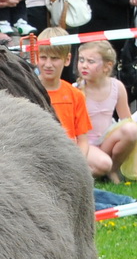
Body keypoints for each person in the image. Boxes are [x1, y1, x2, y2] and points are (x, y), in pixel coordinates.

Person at [34, 30, 112, 178]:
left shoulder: (75, 95)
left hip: (68, 158)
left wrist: (78, 165)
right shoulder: (29, 91)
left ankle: (130, 200)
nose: (48, 64)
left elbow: (83, 140)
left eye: (55, 58)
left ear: (67, 59)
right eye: (43, 57)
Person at [76, 40, 137, 181]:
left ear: (107, 66)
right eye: (81, 60)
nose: (84, 65)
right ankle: (100, 169)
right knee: (102, 163)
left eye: (90, 61)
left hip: (106, 139)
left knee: (131, 129)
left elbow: (126, 119)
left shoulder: (117, 86)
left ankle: (113, 169)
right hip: (85, 143)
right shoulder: (76, 90)